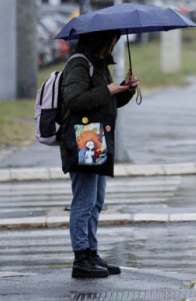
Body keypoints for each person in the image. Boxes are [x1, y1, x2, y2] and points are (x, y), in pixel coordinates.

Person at [58, 30, 139, 279]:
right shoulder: (79, 65)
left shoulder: (97, 65)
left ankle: (91, 253)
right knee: (83, 202)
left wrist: (125, 89)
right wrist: (109, 90)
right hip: (82, 139)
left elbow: (105, 101)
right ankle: (81, 258)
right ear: (100, 41)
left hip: (95, 139)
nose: (113, 47)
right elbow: (74, 99)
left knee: (96, 202)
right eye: (111, 42)